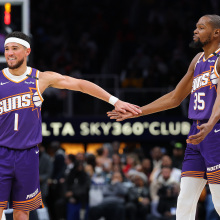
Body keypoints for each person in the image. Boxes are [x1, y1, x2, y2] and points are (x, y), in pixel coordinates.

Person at [0, 31, 141, 220]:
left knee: (22, 212)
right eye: (7, 49)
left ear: (27, 51)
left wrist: (114, 101)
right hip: (2, 152)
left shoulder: (40, 78)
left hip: (28, 154)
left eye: (14, 49)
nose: (9, 53)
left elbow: (80, 84)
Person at [108, 14, 220, 219]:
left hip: (215, 131)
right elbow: (175, 97)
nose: (195, 31)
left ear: (216, 32)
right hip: (196, 132)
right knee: (185, 200)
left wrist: (212, 123)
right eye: (196, 27)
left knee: (219, 200)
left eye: (201, 27)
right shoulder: (197, 61)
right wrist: (137, 111)